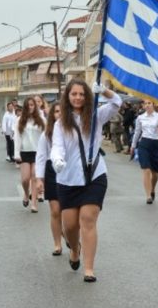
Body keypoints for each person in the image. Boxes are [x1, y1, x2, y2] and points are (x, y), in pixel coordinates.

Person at [51, 78, 121, 282]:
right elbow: (57, 146)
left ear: (87, 96)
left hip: (94, 176)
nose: (78, 97)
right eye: (74, 94)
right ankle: (75, 249)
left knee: (88, 220)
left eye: (82, 94)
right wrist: (57, 159)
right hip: (68, 178)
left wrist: (105, 91)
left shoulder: (96, 116)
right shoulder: (60, 123)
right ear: (67, 97)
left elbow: (117, 103)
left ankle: (89, 268)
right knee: (70, 226)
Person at [35, 102, 63, 255]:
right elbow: (41, 156)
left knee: (68, 212)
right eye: (57, 111)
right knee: (55, 210)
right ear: (52, 115)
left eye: (62, 111)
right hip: (52, 170)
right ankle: (57, 243)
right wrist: (40, 179)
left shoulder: (73, 131)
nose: (60, 114)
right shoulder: (46, 134)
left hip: (69, 172)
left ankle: (68, 233)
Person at [14, 96, 45, 213]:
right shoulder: (19, 120)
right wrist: (16, 154)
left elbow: (46, 137)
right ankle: (26, 194)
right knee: (25, 179)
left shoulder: (41, 119)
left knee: (34, 176)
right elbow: (17, 137)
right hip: (24, 152)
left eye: (32, 105)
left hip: (38, 152)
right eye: (28, 105)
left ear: (35, 106)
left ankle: (34, 203)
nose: (30, 107)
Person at [130, 99, 158, 203]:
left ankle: (152, 189)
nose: (147, 105)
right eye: (145, 103)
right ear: (143, 106)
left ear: (153, 104)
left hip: (156, 143)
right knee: (146, 169)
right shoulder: (140, 118)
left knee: (155, 173)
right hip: (144, 143)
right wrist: (133, 146)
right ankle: (148, 195)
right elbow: (137, 132)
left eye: (149, 103)